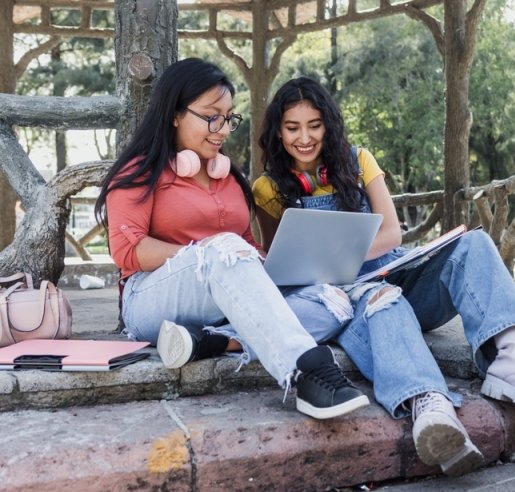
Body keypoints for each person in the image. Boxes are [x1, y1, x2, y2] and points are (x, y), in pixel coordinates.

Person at [252, 77, 515, 477]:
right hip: (350, 302)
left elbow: (391, 233)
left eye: (314, 125)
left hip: (393, 271)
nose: (304, 138)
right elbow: (278, 263)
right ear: (278, 131)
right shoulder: (267, 188)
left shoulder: (358, 160)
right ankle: (431, 409)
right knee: (383, 300)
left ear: (328, 124)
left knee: (473, 245)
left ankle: (512, 356)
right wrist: (335, 279)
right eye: (292, 127)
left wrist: (344, 258)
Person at [94, 59, 368, 420]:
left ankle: (211, 341)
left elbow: (245, 248)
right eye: (212, 117)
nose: (222, 129)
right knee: (225, 249)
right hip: (149, 298)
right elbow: (128, 251)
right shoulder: (138, 173)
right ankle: (306, 371)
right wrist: (207, 255)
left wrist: (274, 263)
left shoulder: (229, 178)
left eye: (228, 118)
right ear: (175, 114)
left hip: (222, 296)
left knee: (333, 301)